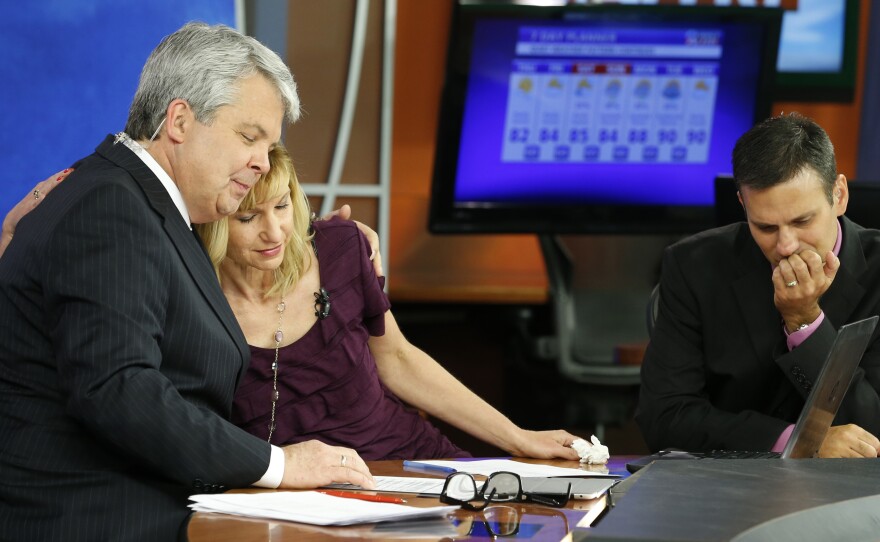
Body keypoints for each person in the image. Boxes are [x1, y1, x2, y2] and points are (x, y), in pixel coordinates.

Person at [0, 22, 373, 541]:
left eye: (270, 146)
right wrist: (280, 465)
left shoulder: (149, 208)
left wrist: (338, 240)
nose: (263, 163)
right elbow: (118, 388)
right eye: (250, 137)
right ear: (179, 120)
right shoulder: (111, 208)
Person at [195, 145, 584, 460]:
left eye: (282, 206)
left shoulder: (341, 248)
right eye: (248, 218)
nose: (274, 232)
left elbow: (397, 359)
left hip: (404, 457)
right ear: (214, 219)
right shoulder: (192, 300)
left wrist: (518, 438)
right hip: (295, 498)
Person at [637, 113, 880, 458]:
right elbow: (664, 417)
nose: (786, 246)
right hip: (726, 489)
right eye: (765, 227)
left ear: (839, 195)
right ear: (743, 204)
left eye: (802, 221)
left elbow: (873, 429)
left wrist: (805, 321)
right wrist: (796, 442)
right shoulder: (692, 265)